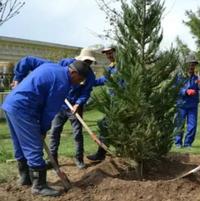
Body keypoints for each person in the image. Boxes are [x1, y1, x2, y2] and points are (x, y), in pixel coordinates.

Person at [2, 61, 89, 197]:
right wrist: (42, 130)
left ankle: (25, 178)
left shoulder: (52, 66)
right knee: (34, 147)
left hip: (10, 104)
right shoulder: (62, 84)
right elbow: (49, 111)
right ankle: (39, 186)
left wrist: (17, 77)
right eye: (80, 80)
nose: (78, 84)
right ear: (73, 73)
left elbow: (28, 60)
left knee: (19, 145)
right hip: (24, 109)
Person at [11, 48, 97, 169]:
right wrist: (17, 78)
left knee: (77, 133)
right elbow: (31, 62)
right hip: (59, 104)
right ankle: (52, 159)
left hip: (75, 107)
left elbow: (86, 91)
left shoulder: (90, 75)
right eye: (85, 61)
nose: (87, 64)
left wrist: (78, 103)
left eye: (89, 62)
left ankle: (79, 159)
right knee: (55, 132)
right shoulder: (65, 64)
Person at [87, 45, 117, 162]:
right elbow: (103, 80)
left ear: (116, 52)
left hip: (121, 102)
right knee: (106, 125)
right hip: (112, 103)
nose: (109, 56)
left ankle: (101, 154)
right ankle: (103, 153)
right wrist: (88, 82)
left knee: (104, 124)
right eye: (107, 54)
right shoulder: (111, 67)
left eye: (111, 53)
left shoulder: (123, 67)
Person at [175, 55, 200, 148]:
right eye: (190, 64)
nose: (191, 67)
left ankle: (188, 143)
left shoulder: (198, 77)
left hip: (193, 105)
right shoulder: (179, 76)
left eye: (193, 65)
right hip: (181, 104)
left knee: (192, 125)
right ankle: (177, 143)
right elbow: (174, 89)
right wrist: (186, 91)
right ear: (185, 65)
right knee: (179, 124)